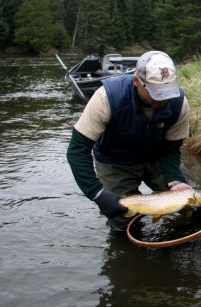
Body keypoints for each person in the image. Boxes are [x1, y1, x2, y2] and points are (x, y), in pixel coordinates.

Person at [67, 50, 193, 232]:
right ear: (136, 82)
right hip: (115, 162)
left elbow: (171, 149)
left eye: (168, 90)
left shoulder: (179, 103)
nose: (164, 98)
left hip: (156, 158)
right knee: (122, 223)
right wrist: (97, 194)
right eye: (157, 92)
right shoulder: (106, 98)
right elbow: (77, 150)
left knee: (194, 205)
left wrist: (174, 181)